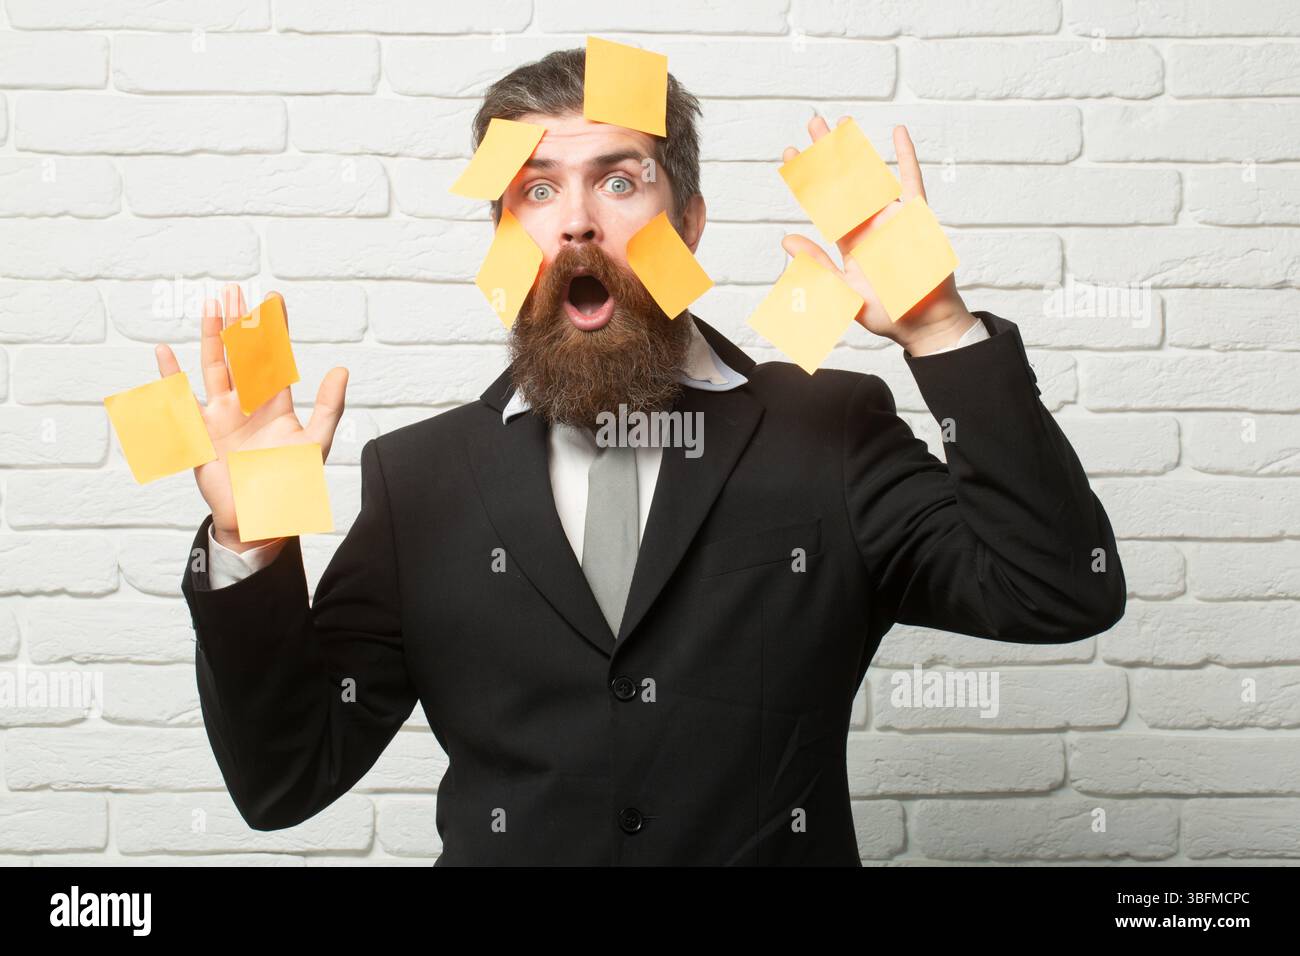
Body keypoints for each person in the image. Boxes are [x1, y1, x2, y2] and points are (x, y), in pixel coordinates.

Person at [160, 49, 1126, 865]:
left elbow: (1059, 590)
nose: (578, 219)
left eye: (620, 180)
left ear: (691, 223)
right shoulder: (418, 479)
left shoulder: (827, 429)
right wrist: (252, 540)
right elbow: (286, 780)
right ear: (506, 238)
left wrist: (940, 328)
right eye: (536, 190)